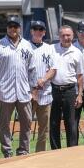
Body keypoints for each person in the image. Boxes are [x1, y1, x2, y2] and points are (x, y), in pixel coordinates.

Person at [0, 16, 36, 158]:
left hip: (24, 91)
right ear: (7, 28)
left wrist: (34, 91)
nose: (13, 29)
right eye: (10, 26)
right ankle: (7, 151)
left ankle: (23, 150)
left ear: (20, 28)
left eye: (15, 26)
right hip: (5, 91)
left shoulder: (27, 45)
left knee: (26, 123)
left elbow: (32, 70)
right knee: (4, 124)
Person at [51, 25, 83, 149]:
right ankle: (55, 151)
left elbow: (80, 76)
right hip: (54, 90)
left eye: (68, 35)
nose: (66, 37)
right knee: (54, 123)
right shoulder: (52, 49)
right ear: (59, 36)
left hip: (70, 90)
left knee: (71, 123)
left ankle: (72, 151)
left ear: (72, 36)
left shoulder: (77, 53)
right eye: (63, 35)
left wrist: (79, 95)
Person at [28, 20, 57, 152]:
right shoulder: (25, 47)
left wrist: (43, 79)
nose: (38, 31)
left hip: (45, 94)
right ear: (31, 31)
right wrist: (32, 86)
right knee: (26, 126)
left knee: (44, 128)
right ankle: (25, 153)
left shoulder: (49, 48)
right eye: (35, 29)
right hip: (28, 94)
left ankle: (40, 154)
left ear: (44, 32)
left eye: (41, 29)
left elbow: (53, 69)